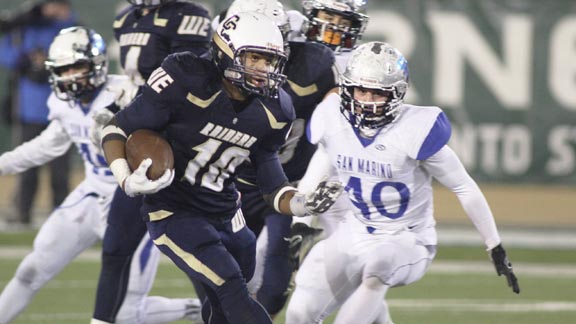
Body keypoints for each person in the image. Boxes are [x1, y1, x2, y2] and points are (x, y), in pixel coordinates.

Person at [100, 12, 342, 324]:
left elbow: (270, 179)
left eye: (270, 62)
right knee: (231, 288)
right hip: (175, 211)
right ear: (227, 51)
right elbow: (116, 129)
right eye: (255, 58)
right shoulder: (185, 76)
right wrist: (126, 180)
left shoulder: (276, 108)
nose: (263, 70)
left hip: (228, 211)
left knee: (221, 307)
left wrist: (302, 202)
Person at [285, 41, 521, 324]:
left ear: (397, 93)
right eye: (361, 90)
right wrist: (301, 220)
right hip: (355, 232)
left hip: (407, 239)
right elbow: (322, 159)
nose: (367, 100)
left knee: (379, 264)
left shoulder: (414, 129)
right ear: (348, 89)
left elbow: (463, 186)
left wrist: (494, 244)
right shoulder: (332, 118)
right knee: (300, 314)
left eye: (378, 93)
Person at [0, 26, 201, 324]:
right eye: (63, 69)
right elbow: (46, 146)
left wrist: (129, 113)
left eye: (77, 67)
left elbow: (169, 135)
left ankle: (199, 309)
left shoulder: (127, 92)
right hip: (91, 195)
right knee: (30, 270)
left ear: (97, 64)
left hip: (135, 204)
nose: (70, 76)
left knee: (125, 312)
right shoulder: (62, 104)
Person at [209, 0, 340, 318]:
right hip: (235, 180)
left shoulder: (314, 63)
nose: (262, 63)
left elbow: (336, 118)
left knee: (276, 276)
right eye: (252, 53)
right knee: (222, 273)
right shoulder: (211, 69)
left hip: (286, 180)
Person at [89, 1, 212, 322]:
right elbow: (134, 84)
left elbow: (192, 81)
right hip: (140, 140)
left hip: (176, 147)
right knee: (115, 249)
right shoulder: (126, 19)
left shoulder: (189, 15)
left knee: (198, 254)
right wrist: (118, 112)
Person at [0, 0, 76, 227]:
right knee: (27, 168)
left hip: (61, 113)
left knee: (60, 172)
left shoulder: (63, 27)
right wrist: (24, 61)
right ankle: (23, 214)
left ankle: (60, 216)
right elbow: (6, 52)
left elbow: (74, 33)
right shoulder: (25, 27)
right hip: (29, 110)